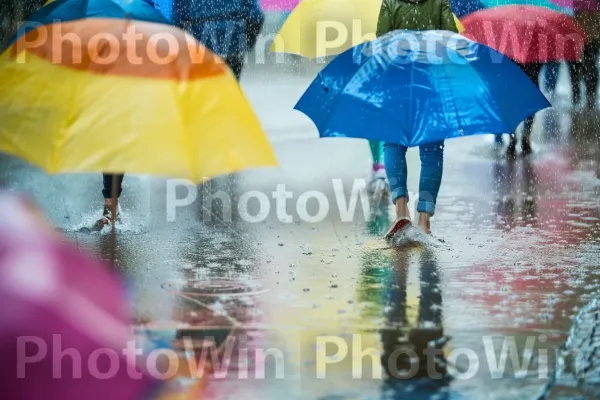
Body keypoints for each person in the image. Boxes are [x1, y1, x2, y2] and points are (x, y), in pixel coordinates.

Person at [95, 0, 265, 229]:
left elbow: (176, 20)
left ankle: (110, 204)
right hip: (229, 48)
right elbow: (255, 16)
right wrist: (245, 42)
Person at [377, 0, 458, 237]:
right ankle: (424, 220)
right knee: (432, 151)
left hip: (398, 82)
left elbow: (382, 45)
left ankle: (401, 211)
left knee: (393, 142)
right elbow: (451, 43)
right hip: (433, 82)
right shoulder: (439, 1)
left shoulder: (390, 2)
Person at [506, 62, 543, 157]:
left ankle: (513, 138)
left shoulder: (509, 49)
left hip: (514, 81)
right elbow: (540, 64)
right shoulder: (534, 50)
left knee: (512, 108)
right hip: (530, 81)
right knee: (529, 109)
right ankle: (525, 138)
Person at [568, 3, 600, 109]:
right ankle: (584, 96)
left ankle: (582, 96)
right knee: (580, 67)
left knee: (582, 67)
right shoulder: (579, 5)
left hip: (586, 38)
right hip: (583, 38)